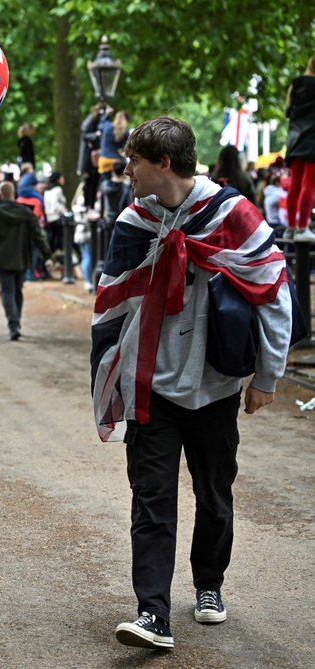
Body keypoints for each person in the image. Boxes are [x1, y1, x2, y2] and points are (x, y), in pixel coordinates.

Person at [91, 116, 292, 650]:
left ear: (163, 164)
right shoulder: (135, 222)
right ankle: (152, 613)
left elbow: (273, 294)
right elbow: (110, 302)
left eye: (134, 160)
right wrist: (107, 377)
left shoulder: (234, 215)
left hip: (215, 386)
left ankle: (209, 583)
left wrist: (266, 376)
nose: (124, 168)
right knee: (151, 500)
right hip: (152, 385)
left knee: (214, 494)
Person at [0, 181, 51, 340]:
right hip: (22, 258)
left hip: (1, 259)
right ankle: (16, 321)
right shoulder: (26, 213)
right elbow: (38, 235)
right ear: (14, 194)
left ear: (0, 194)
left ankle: (13, 324)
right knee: (17, 290)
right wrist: (47, 253)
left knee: (7, 291)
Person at [284, 54, 315, 242]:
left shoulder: (295, 84)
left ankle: (291, 227)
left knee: (295, 184)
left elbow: (288, 111)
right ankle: (303, 228)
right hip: (313, 139)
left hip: (295, 138)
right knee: (309, 184)